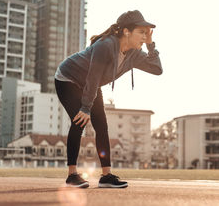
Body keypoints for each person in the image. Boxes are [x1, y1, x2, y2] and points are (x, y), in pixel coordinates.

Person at [54, 10, 162, 188]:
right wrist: (86, 107)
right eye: (141, 32)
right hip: (68, 78)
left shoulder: (134, 54)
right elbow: (93, 76)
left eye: (147, 33)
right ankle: (72, 175)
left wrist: (151, 46)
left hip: (90, 84)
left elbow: (157, 69)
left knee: (101, 126)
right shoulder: (105, 45)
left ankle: (106, 176)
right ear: (126, 31)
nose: (145, 36)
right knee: (79, 120)